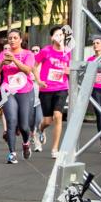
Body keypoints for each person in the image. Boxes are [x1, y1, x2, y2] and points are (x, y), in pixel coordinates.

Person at [0, 30, 43, 164]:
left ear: (21, 40)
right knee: (11, 121)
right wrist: (2, 63)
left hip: (24, 90)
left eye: (15, 38)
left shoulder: (28, 54)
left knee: (24, 126)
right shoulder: (3, 54)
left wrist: (14, 59)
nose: (12, 40)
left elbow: (27, 70)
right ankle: (12, 153)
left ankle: (26, 143)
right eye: (10, 38)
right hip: (8, 90)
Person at [36, 26, 71, 158]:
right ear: (52, 38)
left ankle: (55, 148)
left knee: (58, 116)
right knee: (47, 121)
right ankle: (40, 129)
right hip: (46, 89)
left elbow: (71, 67)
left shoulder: (68, 52)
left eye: (61, 35)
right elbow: (34, 67)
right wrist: (39, 81)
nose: (59, 37)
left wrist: (69, 70)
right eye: (57, 35)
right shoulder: (45, 51)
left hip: (62, 88)